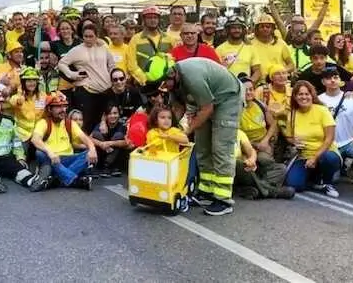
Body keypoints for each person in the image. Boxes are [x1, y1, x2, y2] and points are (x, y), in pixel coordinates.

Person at [151, 55, 243, 216]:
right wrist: (169, 131)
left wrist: (187, 130)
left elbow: (207, 109)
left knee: (220, 148)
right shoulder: (174, 82)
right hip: (204, 101)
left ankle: (223, 199)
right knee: (202, 145)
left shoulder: (192, 76)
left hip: (227, 98)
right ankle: (207, 190)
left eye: (165, 83)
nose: (164, 87)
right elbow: (178, 108)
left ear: (172, 74)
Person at [283, 81, 341, 197]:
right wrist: (294, 142)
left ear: (312, 95)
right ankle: (314, 178)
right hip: (304, 155)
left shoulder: (322, 110)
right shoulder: (292, 114)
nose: (304, 97)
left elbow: (329, 138)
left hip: (324, 152)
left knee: (329, 159)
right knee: (294, 185)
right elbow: (289, 137)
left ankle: (327, 182)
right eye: (300, 94)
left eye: (306, 94)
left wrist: (315, 158)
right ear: (295, 97)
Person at [29, 93, 97, 191]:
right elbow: (35, 139)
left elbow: (85, 138)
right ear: (49, 109)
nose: (63, 110)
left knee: (88, 154)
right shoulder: (43, 123)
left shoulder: (70, 123)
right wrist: (50, 153)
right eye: (58, 107)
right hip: (51, 158)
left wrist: (92, 148)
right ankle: (74, 180)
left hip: (67, 159)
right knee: (40, 153)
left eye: (64, 106)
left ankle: (55, 179)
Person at [56, 22, 115, 133]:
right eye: (85, 36)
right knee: (87, 123)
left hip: (106, 90)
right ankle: (86, 148)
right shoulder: (77, 50)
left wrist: (113, 78)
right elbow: (62, 63)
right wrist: (72, 74)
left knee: (105, 123)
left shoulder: (103, 47)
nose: (88, 39)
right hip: (86, 91)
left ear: (96, 36)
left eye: (91, 36)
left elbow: (111, 65)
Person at [317, 67, 353, 174]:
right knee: (333, 178)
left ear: (341, 80)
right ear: (323, 82)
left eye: (335, 77)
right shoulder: (318, 100)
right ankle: (340, 166)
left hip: (350, 142)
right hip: (330, 144)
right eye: (328, 78)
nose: (333, 80)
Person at [90, 103, 130, 176]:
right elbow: (89, 138)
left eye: (115, 113)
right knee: (97, 134)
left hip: (114, 156)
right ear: (106, 116)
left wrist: (110, 143)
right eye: (110, 114)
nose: (112, 116)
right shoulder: (101, 125)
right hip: (102, 152)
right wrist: (101, 144)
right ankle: (98, 165)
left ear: (119, 114)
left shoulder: (122, 126)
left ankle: (108, 166)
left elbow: (127, 142)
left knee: (118, 136)